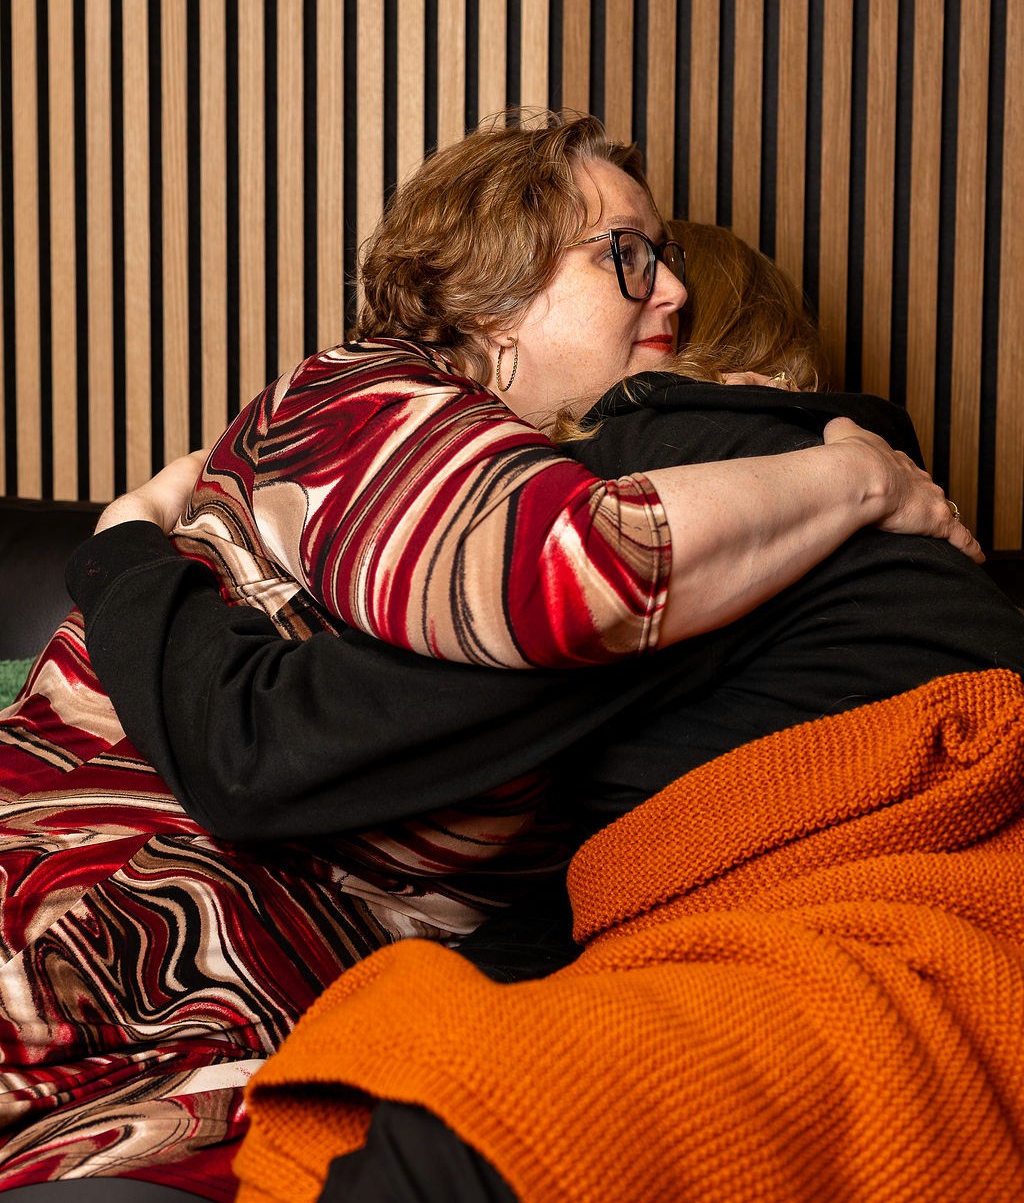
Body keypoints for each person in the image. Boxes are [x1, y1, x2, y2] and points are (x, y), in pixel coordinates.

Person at [0, 115, 973, 1196]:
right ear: (484, 293)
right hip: (70, 930)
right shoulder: (359, 394)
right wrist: (859, 478)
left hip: (206, 1033)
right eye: (626, 256)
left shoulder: (658, 542)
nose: (671, 294)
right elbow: (570, 573)